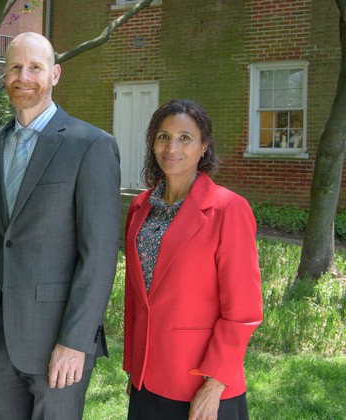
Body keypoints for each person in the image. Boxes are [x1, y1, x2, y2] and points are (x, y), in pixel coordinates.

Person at [0, 32, 121, 419]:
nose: (23, 76)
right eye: (14, 67)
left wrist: (75, 340)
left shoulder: (90, 145)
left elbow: (100, 254)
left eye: (35, 67)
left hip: (57, 341)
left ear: (55, 75)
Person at [123, 99, 263, 419]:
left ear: (204, 148)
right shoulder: (140, 209)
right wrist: (134, 366)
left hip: (201, 384)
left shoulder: (229, 209)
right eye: (163, 136)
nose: (172, 146)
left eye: (185, 137)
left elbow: (243, 312)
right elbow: (136, 296)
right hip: (147, 378)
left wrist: (214, 386)